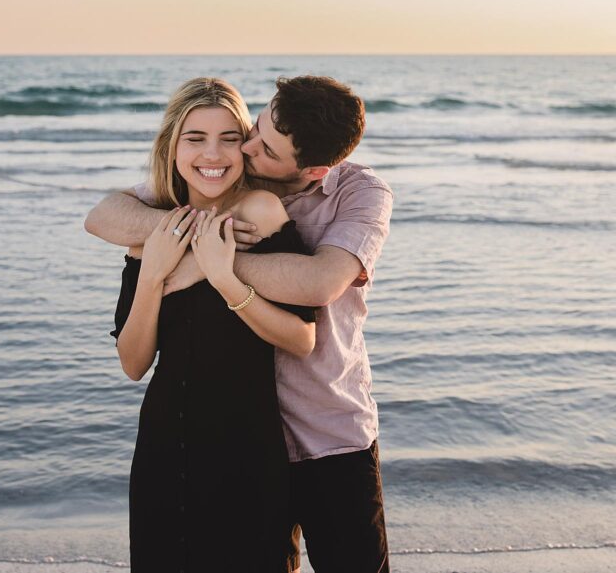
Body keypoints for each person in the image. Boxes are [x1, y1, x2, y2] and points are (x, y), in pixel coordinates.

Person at [87, 75, 394, 573]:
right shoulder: (210, 179)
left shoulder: (355, 195)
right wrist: (181, 243)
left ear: (312, 168)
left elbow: (318, 285)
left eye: (260, 145)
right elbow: (105, 213)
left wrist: (211, 263)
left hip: (325, 432)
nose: (246, 148)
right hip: (207, 440)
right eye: (253, 127)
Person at [109, 77, 319, 572]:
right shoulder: (152, 225)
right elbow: (134, 362)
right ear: (172, 147)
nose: (214, 154)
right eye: (195, 138)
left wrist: (225, 279)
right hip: (164, 449)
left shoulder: (260, 213)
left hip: (246, 448)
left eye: (229, 138)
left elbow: (302, 338)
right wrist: (155, 272)